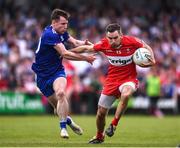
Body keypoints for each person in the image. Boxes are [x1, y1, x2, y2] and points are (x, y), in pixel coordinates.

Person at [70, 23, 156, 143]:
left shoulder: (132, 41)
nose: (112, 41)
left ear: (121, 35)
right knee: (100, 113)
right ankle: (99, 136)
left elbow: (147, 46)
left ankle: (114, 124)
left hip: (129, 79)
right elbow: (86, 48)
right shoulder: (104, 44)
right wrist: (65, 53)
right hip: (111, 81)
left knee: (126, 94)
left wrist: (153, 60)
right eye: (110, 38)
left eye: (115, 38)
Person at [31, 9, 95, 139]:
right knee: (57, 109)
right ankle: (69, 121)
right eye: (63, 24)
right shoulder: (49, 35)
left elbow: (75, 43)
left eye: (66, 24)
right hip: (42, 76)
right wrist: (85, 58)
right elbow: (65, 53)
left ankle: (63, 129)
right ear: (54, 23)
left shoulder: (61, 32)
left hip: (57, 72)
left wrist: (85, 44)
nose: (66, 27)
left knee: (61, 93)